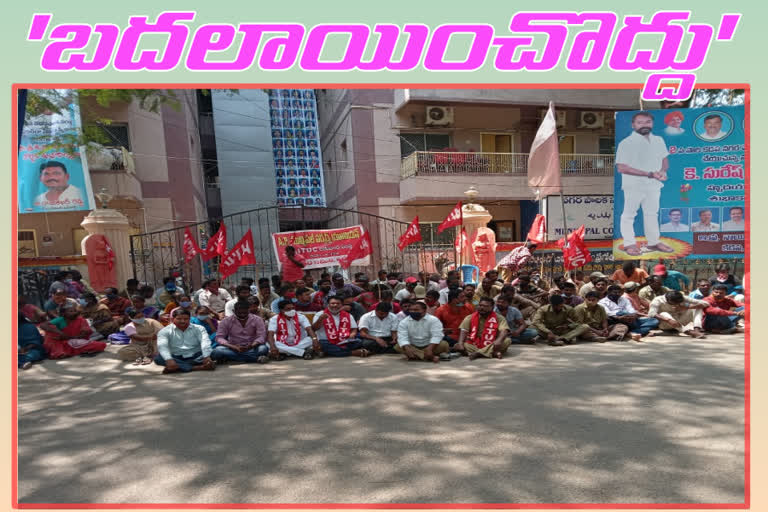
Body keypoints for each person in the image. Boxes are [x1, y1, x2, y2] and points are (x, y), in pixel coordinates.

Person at [616, 111, 674, 255]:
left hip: (654, 185)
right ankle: (629, 244)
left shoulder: (658, 140)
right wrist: (649, 174)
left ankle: (654, 242)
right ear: (633, 125)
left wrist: (662, 172)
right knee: (629, 214)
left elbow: (664, 160)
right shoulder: (626, 143)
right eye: (640, 122)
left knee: (651, 213)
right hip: (634, 185)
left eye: (647, 122)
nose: (644, 125)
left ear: (652, 123)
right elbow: (622, 167)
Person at [154, 309, 215, 373]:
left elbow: (205, 342)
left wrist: (206, 356)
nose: (182, 321)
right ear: (172, 319)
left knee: (219, 352)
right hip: (177, 357)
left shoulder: (199, 328)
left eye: (186, 319)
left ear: (190, 319)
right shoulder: (165, 331)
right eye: (179, 319)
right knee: (158, 358)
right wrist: (169, 359)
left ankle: (178, 367)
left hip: (197, 355)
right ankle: (198, 367)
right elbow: (163, 347)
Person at [40, 304, 107, 359]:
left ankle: (66, 352)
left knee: (101, 345)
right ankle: (59, 353)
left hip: (76, 341)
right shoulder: (60, 319)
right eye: (71, 311)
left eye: (75, 311)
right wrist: (60, 333)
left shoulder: (81, 320)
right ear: (64, 313)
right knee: (50, 332)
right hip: (61, 342)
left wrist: (72, 336)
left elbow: (85, 332)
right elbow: (43, 325)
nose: (74, 312)